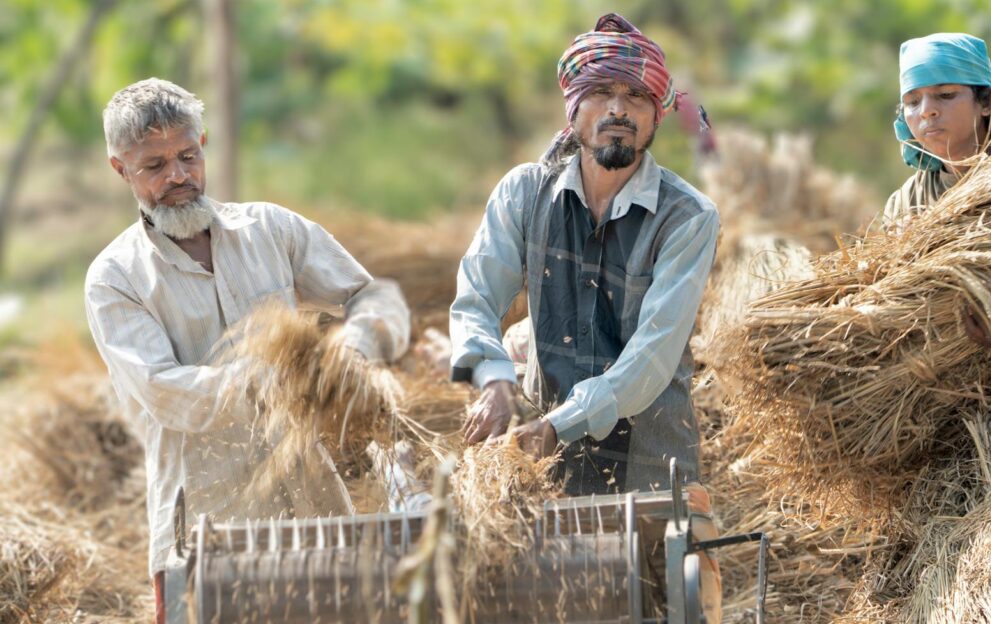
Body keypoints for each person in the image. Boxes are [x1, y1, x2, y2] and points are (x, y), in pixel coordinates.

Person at [83, 78, 411, 623]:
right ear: (120, 169)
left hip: (313, 509)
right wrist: (277, 380)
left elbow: (375, 295)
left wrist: (357, 343)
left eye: (188, 155)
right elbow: (165, 394)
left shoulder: (269, 229)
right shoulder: (116, 278)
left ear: (204, 142)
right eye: (155, 166)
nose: (179, 176)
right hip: (207, 528)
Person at [449, 13, 719, 496]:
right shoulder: (525, 193)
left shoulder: (688, 217)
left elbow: (652, 357)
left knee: (655, 573)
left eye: (636, 95)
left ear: (657, 113)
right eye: (600, 92)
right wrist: (493, 381)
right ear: (573, 109)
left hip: (651, 472)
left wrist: (560, 424)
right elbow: (476, 300)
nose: (618, 109)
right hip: (536, 467)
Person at [881, 32, 991, 232]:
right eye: (913, 102)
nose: (926, 111)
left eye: (945, 95)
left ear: (986, 101)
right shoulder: (904, 204)